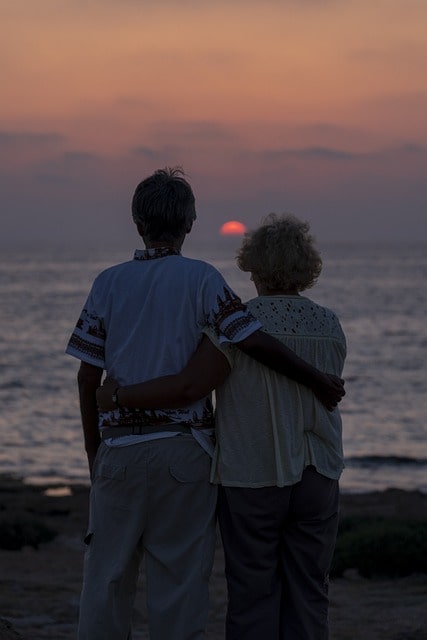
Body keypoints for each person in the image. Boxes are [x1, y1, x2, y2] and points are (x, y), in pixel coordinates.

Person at [67, 167, 344, 640]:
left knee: (105, 580)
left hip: (122, 451)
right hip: (187, 450)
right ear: (191, 222)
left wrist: (96, 456)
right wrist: (318, 378)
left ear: (136, 222)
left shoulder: (107, 283)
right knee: (180, 584)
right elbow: (250, 342)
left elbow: (87, 375)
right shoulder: (203, 280)